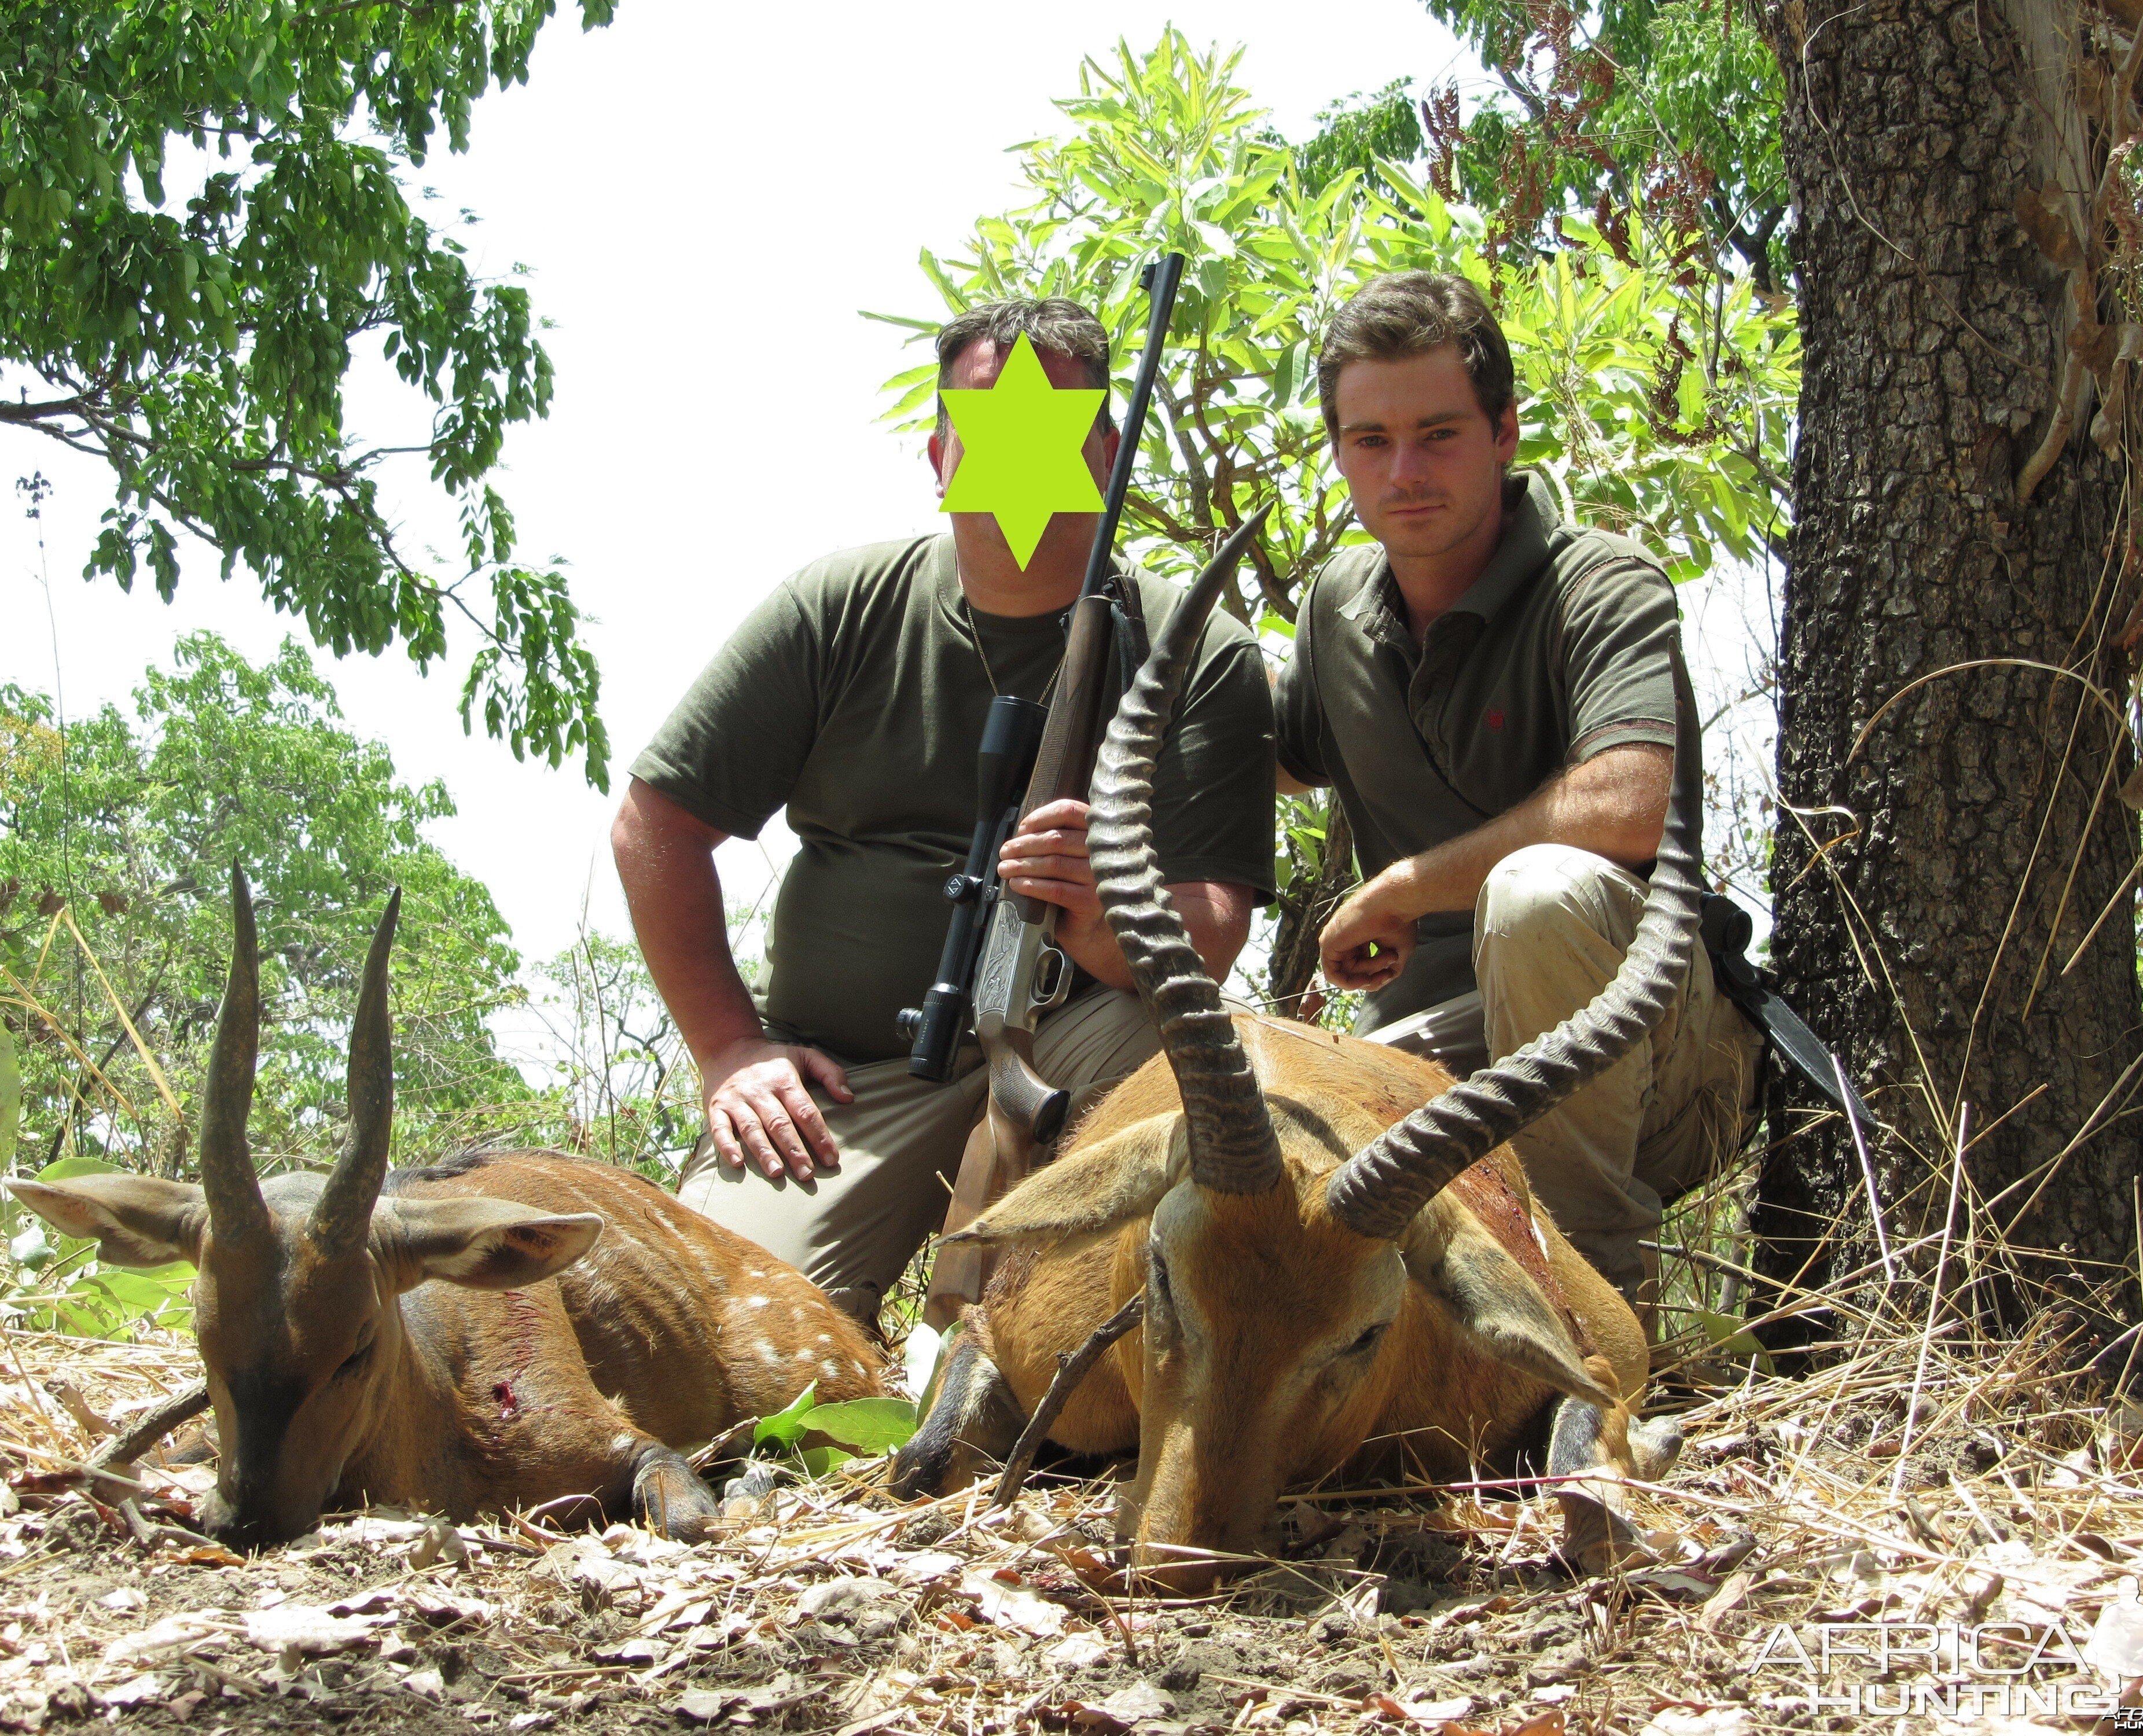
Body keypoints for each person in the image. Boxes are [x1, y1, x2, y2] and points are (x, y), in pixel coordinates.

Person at [612, 297, 1276, 1329]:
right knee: (721, 1343)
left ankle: (1013, 1334)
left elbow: (1215, 932)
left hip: (1082, 1050)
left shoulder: (1203, 649)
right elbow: (655, 826)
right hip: (847, 1080)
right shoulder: (836, 607)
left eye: (1051, 432)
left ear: (1105, 453)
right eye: (989, 431)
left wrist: (1104, 909)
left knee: (1127, 1279)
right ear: (938, 454)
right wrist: (727, 1050)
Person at [1274, 270, 1763, 1316]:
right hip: (1442, 1065)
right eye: (1370, 441)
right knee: (1256, 1098)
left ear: (1504, 433)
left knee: (1539, 893)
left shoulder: (1601, 580)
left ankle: (1595, 1329)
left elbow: (1631, 798)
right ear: (1340, 452)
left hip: (1650, 1060)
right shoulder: (1336, 607)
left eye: (1439, 433)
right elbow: (1257, 757)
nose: (1404, 471)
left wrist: (1405, 886)